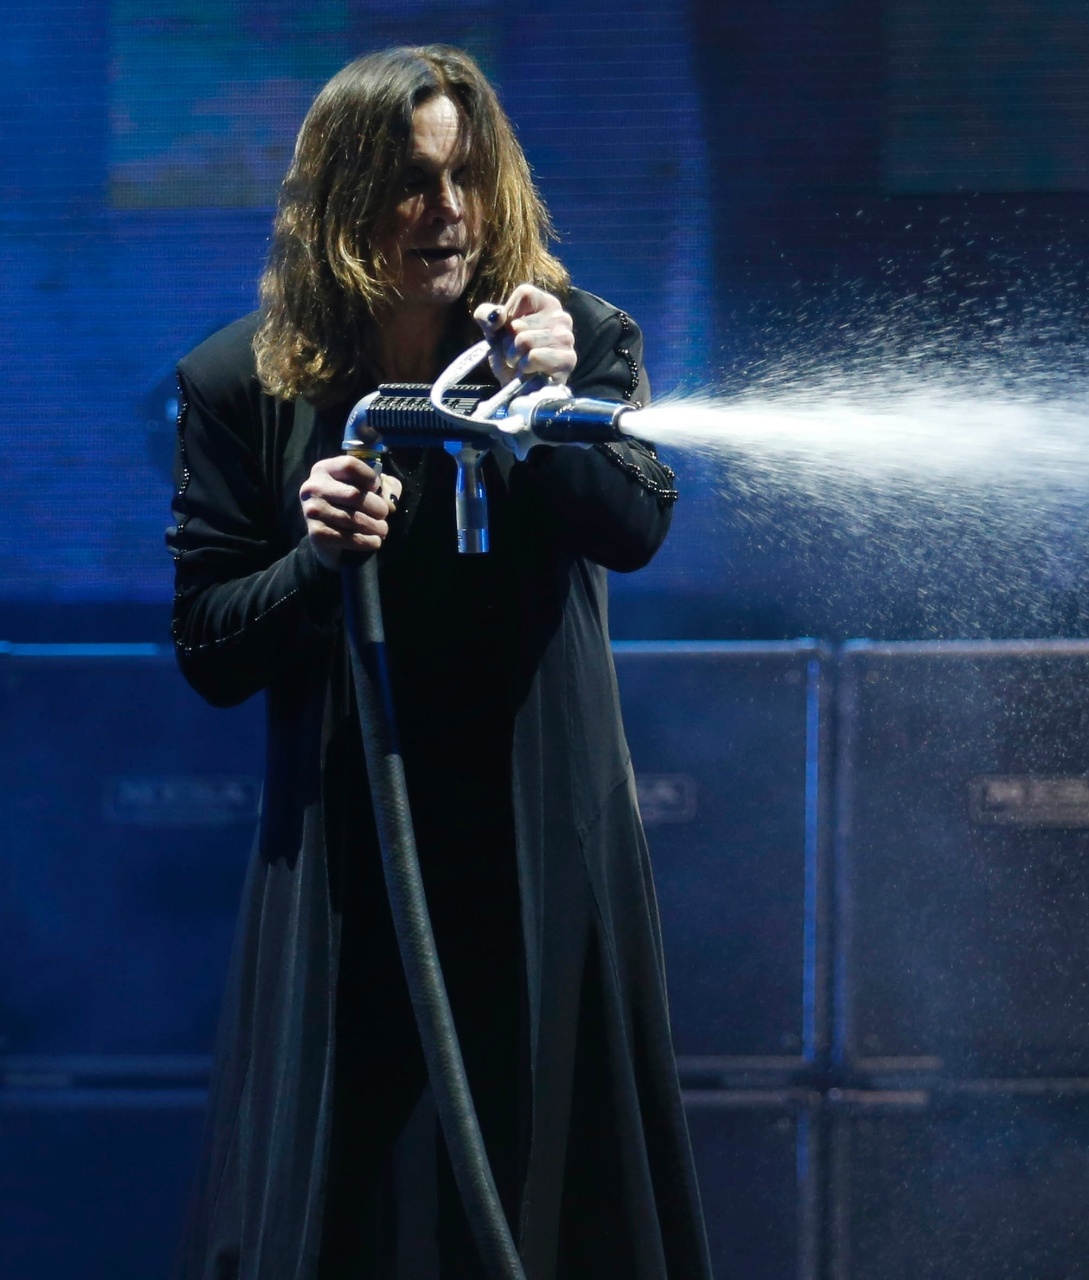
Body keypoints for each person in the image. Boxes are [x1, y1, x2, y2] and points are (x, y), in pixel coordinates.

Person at [166, 46, 710, 1280]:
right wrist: (313, 559)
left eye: (467, 177)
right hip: (356, 860)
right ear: (344, 201)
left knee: (551, 1178)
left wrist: (544, 411)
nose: (449, 212)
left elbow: (633, 528)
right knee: (356, 1191)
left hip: (542, 841)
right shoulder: (236, 382)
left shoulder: (578, 343)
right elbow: (208, 644)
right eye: (413, 182)